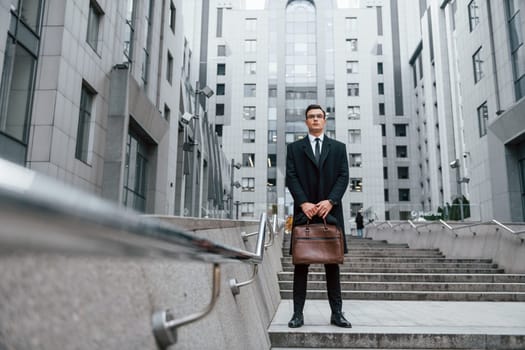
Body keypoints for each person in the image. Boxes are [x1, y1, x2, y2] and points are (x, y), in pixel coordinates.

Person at [285, 104, 351, 328]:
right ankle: (297, 314)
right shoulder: (294, 149)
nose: (315, 120)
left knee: (332, 265)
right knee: (300, 266)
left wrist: (330, 201)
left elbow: (343, 177)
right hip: (305, 214)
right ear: (306, 121)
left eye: (319, 116)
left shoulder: (339, 148)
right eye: (311, 117)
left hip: (329, 214)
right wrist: (303, 202)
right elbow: (291, 177)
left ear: (325, 120)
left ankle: (337, 313)